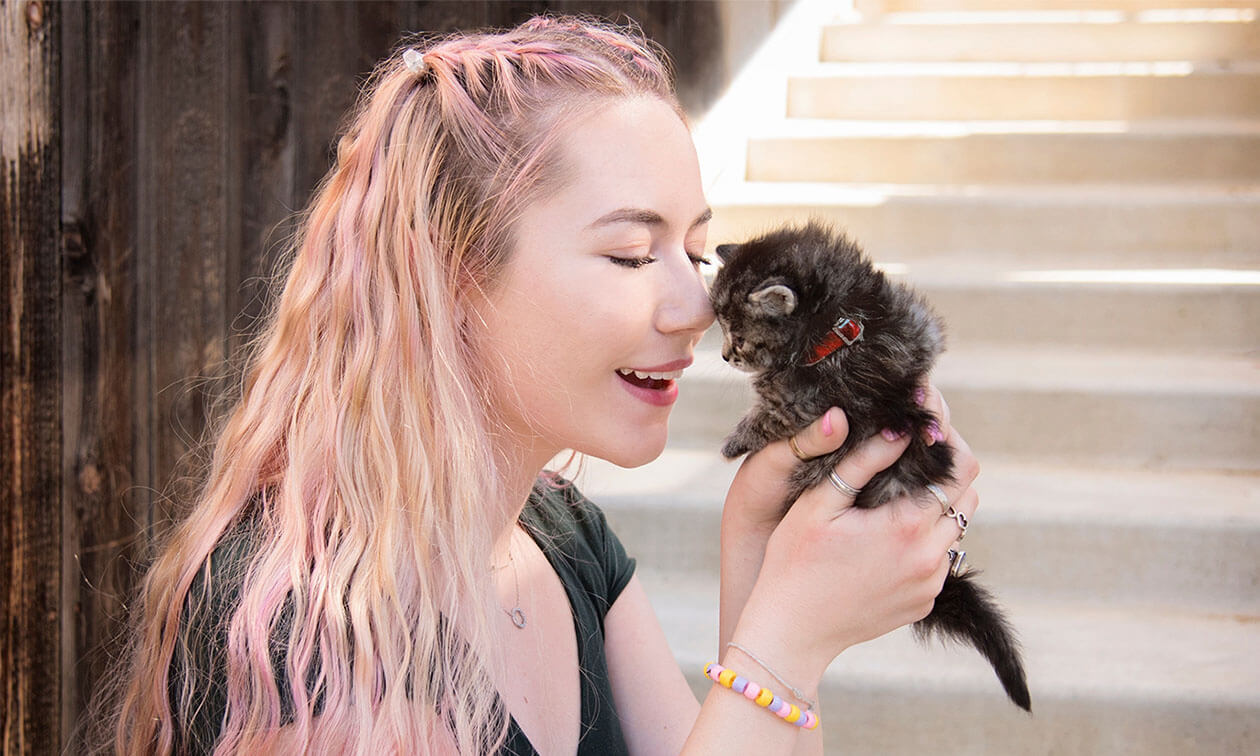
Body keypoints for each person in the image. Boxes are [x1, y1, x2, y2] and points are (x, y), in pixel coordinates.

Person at [106, 16, 979, 755]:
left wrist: (760, 548)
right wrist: (784, 649)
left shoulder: (566, 541)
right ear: (453, 276)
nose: (695, 308)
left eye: (695, 251)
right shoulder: (309, 633)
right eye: (631, 255)